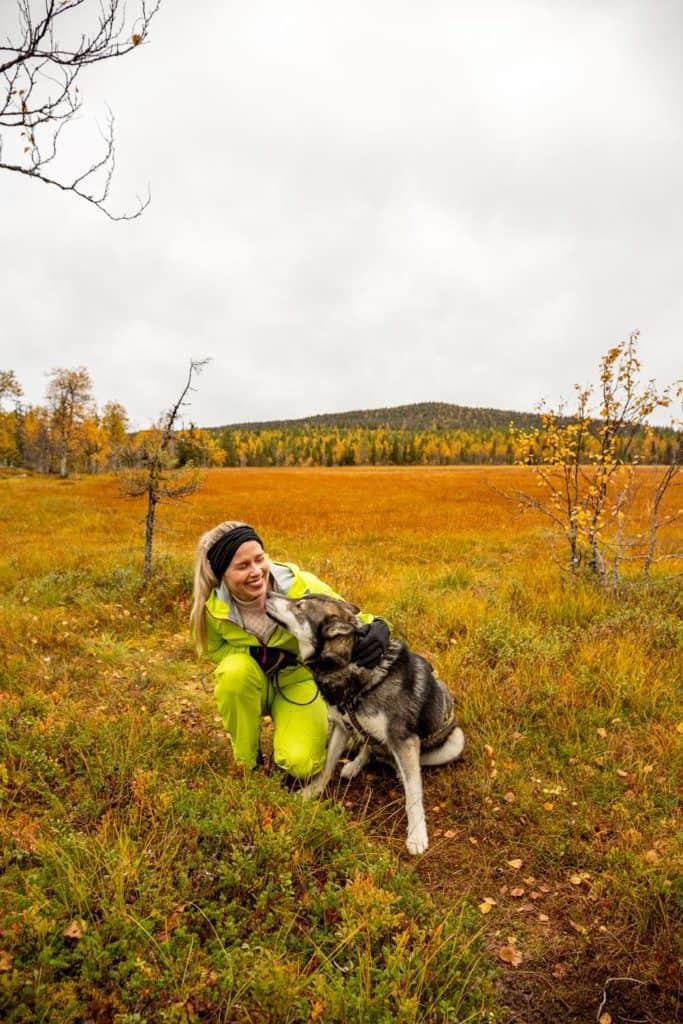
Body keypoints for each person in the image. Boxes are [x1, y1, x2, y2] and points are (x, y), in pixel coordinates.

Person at [191, 521, 390, 780]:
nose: (256, 571)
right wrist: (255, 656)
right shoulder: (213, 608)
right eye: (242, 566)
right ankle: (248, 763)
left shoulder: (301, 587)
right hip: (251, 683)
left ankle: (298, 735)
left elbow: (352, 618)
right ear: (222, 575)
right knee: (233, 673)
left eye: (259, 559)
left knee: (302, 766)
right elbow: (213, 650)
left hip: (298, 679)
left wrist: (380, 627)